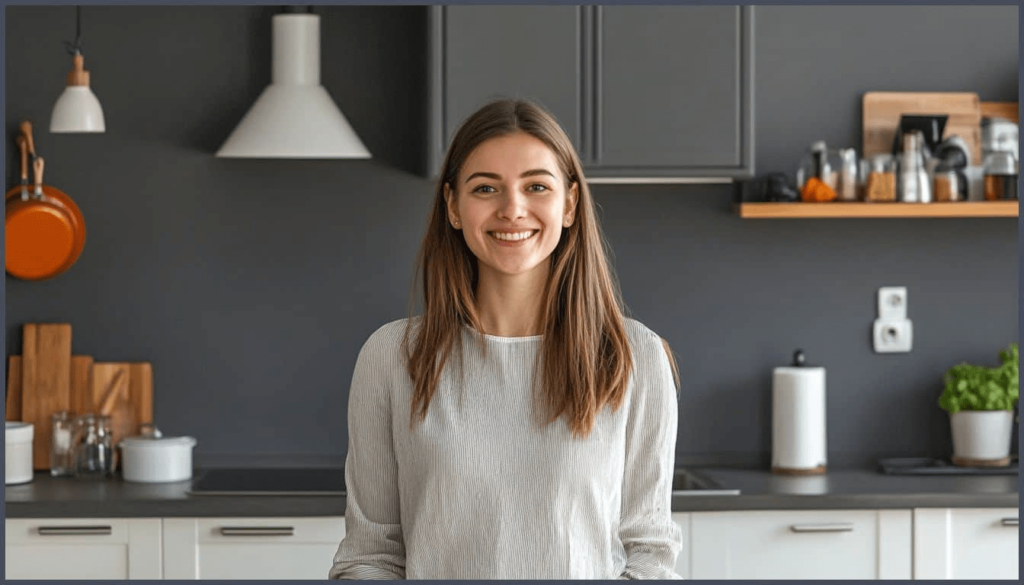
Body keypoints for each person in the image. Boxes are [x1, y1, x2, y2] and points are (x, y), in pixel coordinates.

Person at [329, 98, 683, 580]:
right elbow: (371, 555)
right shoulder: (391, 358)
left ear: (570, 203)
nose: (512, 208)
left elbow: (649, 555)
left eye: (536, 185)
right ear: (453, 206)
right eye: (485, 188)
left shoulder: (633, 356)